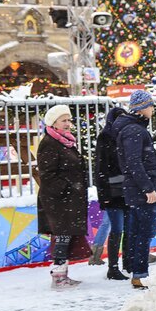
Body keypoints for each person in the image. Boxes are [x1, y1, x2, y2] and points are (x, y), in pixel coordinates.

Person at [37, 104, 91, 289]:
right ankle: (59, 276)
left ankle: (62, 274)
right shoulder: (49, 143)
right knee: (62, 237)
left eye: (69, 120)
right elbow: (47, 174)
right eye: (63, 120)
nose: (68, 123)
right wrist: (69, 188)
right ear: (53, 122)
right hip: (58, 201)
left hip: (68, 200)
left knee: (65, 237)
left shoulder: (65, 141)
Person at [111, 90, 156, 290]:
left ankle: (136, 271)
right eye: (150, 105)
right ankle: (140, 274)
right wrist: (148, 188)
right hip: (140, 190)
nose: (153, 108)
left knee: (137, 231)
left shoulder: (134, 128)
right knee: (144, 232)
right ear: (141, 108)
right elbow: (134, 162)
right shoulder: (134, 130)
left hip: (136, 189)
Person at [92, 106, 129, 280]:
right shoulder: (105, 137)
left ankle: (128, 262)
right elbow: (100, 168)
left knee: (129, 229)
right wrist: (104, 195)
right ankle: (112, 267)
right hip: (113, 193)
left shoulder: (127, 136)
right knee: (117, 229)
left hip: (128, 190)